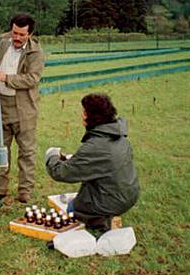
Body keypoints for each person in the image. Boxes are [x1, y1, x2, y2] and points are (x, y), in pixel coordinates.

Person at [0, 13, 45, 204]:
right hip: (0, 104)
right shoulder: (2, 41)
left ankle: (24, 191)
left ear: (29, 34)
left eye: (22, 34)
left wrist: (7, 78)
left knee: (27, 152)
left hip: (24, 109)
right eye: (15, 32)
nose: (17, 38)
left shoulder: (36, 52)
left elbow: (32, 78)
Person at [45, 93, 140, 234]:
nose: (82, 115)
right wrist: (74, 158)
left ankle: (102, 221)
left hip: (113, 201)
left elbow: (61, 173)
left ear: (92, 116)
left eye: (84, 112)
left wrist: (52, 155)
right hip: (130, 194)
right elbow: (102, 162)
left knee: (72, 208)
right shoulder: (120, 137)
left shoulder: (95, 146)